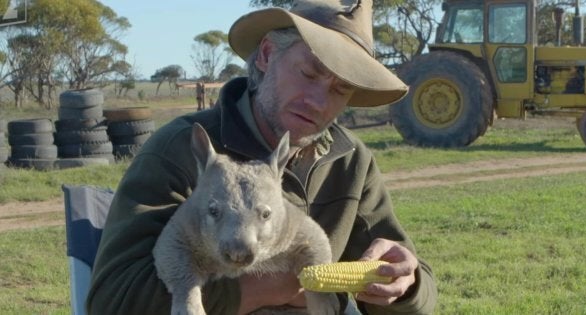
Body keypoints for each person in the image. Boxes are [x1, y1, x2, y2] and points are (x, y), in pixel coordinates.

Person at [87, 0, 437, 314]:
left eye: (340, 88)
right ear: (268, 54)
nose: (317, 100)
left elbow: (418, 295)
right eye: (309, 73)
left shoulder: (350, 163)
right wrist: (259, 290)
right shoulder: (178, 152)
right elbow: (112, 301)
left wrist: (406, 285)